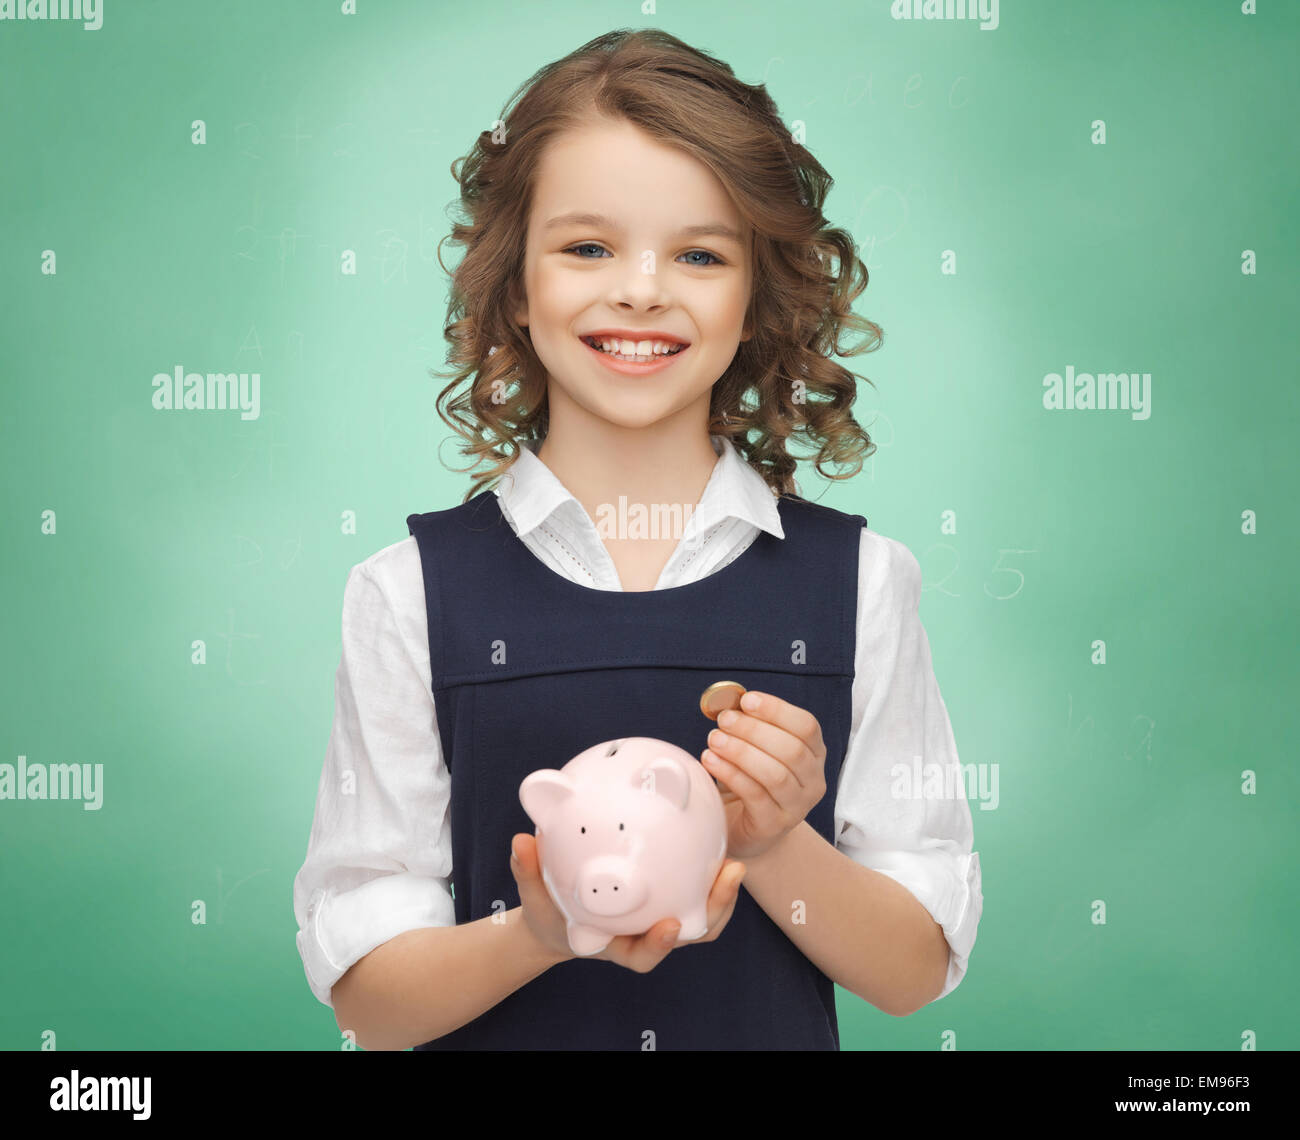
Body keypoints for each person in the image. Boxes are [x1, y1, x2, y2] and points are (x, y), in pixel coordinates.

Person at [292, 27, 982, 1051]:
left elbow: (912, 970)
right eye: (587, 247)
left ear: (756, 296)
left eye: (700, 254)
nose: (642, 290)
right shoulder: (408, 595)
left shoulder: (861, 585)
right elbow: (371, 1005)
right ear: (515, 286)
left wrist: (776, 841)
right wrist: (543, 930)